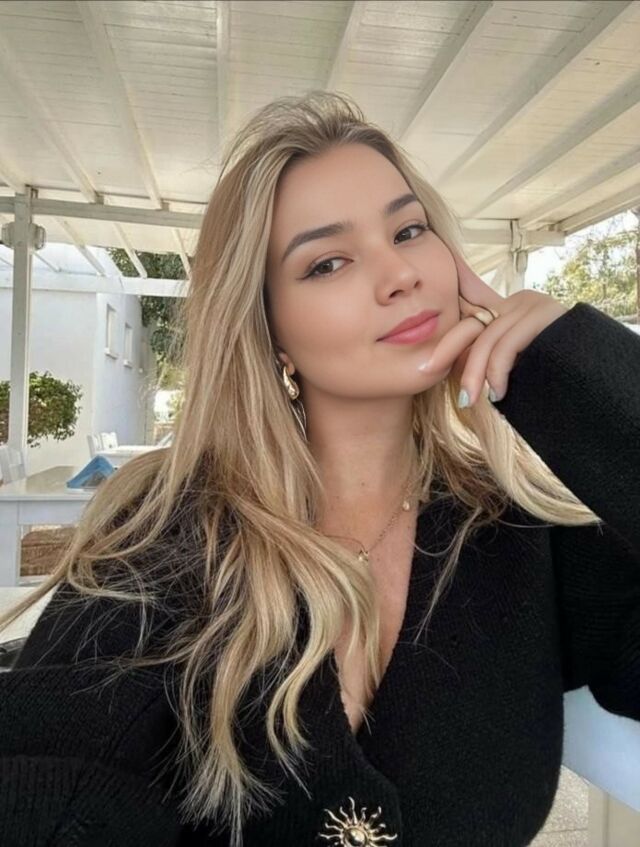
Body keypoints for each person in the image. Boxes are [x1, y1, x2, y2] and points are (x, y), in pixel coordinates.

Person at [1, 90, 638, 847]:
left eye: (409, 230)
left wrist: (577, 371)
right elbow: (48, 791)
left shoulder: (523, 537)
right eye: (328, 261)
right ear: (268, 326)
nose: (398, 273)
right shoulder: (168, 538)